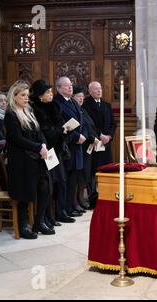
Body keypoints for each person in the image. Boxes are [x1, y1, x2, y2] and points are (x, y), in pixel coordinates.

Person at [5, 80, 53, 239]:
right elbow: (18, 139)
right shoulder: (10, 115)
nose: (26, 98)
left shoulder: (29, 111)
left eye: (27, 95)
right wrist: (38, 147)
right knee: (26, 190)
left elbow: (39, 134)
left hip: (35, 158)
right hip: (20, 161)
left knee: (45, 186)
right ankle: (24, 224)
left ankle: (39, 221)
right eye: (23, 95)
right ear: (15, 96)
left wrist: (43, 145)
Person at [31, 79, 71, 226]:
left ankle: (53, 215)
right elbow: (46, 132)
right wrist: (61, 131)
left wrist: (64, 131)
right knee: (49, 185)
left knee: (59, 182)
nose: (51, 94)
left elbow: (59, 126)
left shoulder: (54, 106)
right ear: (40, 95)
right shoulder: (37, 109)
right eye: (47, 92)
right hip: (48, 150)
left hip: (57, 149)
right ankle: (47, 216)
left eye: (50, 91)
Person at [54, 77, 86, 217]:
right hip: (67, 145)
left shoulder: (73, 101)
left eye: (70, 85)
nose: (70, 88)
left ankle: (70, 207)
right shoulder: (57, 103)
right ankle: (63, 209)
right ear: (58, 88)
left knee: (73, 178)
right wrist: (76, 137)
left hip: (78, 146)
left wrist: (83, 135)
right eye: (66, 86)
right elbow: (61, 124)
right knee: (65, 178)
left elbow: (81, 120)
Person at [82, 81, 114, 208]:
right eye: (96, 89)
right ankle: (93, 199)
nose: (99, 91)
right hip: (94, 142)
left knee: (106, 170)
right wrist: (100, 135)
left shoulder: (107, 105)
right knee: (93, 172)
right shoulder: (86, 105)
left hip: (106, 144)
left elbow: (113, 123)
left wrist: (109, 136)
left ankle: (106, 197)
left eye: (100, 88)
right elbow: (90, 124)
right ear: (90, 91)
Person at [73, 84, 98, 210]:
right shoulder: (74, 110)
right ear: (73, 97)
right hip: (81, 147)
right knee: (79, 176)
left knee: (85, 175)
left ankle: (81, 199)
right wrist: (91, 138)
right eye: (78, 97)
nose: (81, 99)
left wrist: (94, 137)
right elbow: (81, 129)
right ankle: (77, 200)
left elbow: (90, 127)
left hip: (88, 147)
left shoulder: (83, 110)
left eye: (82, 97)